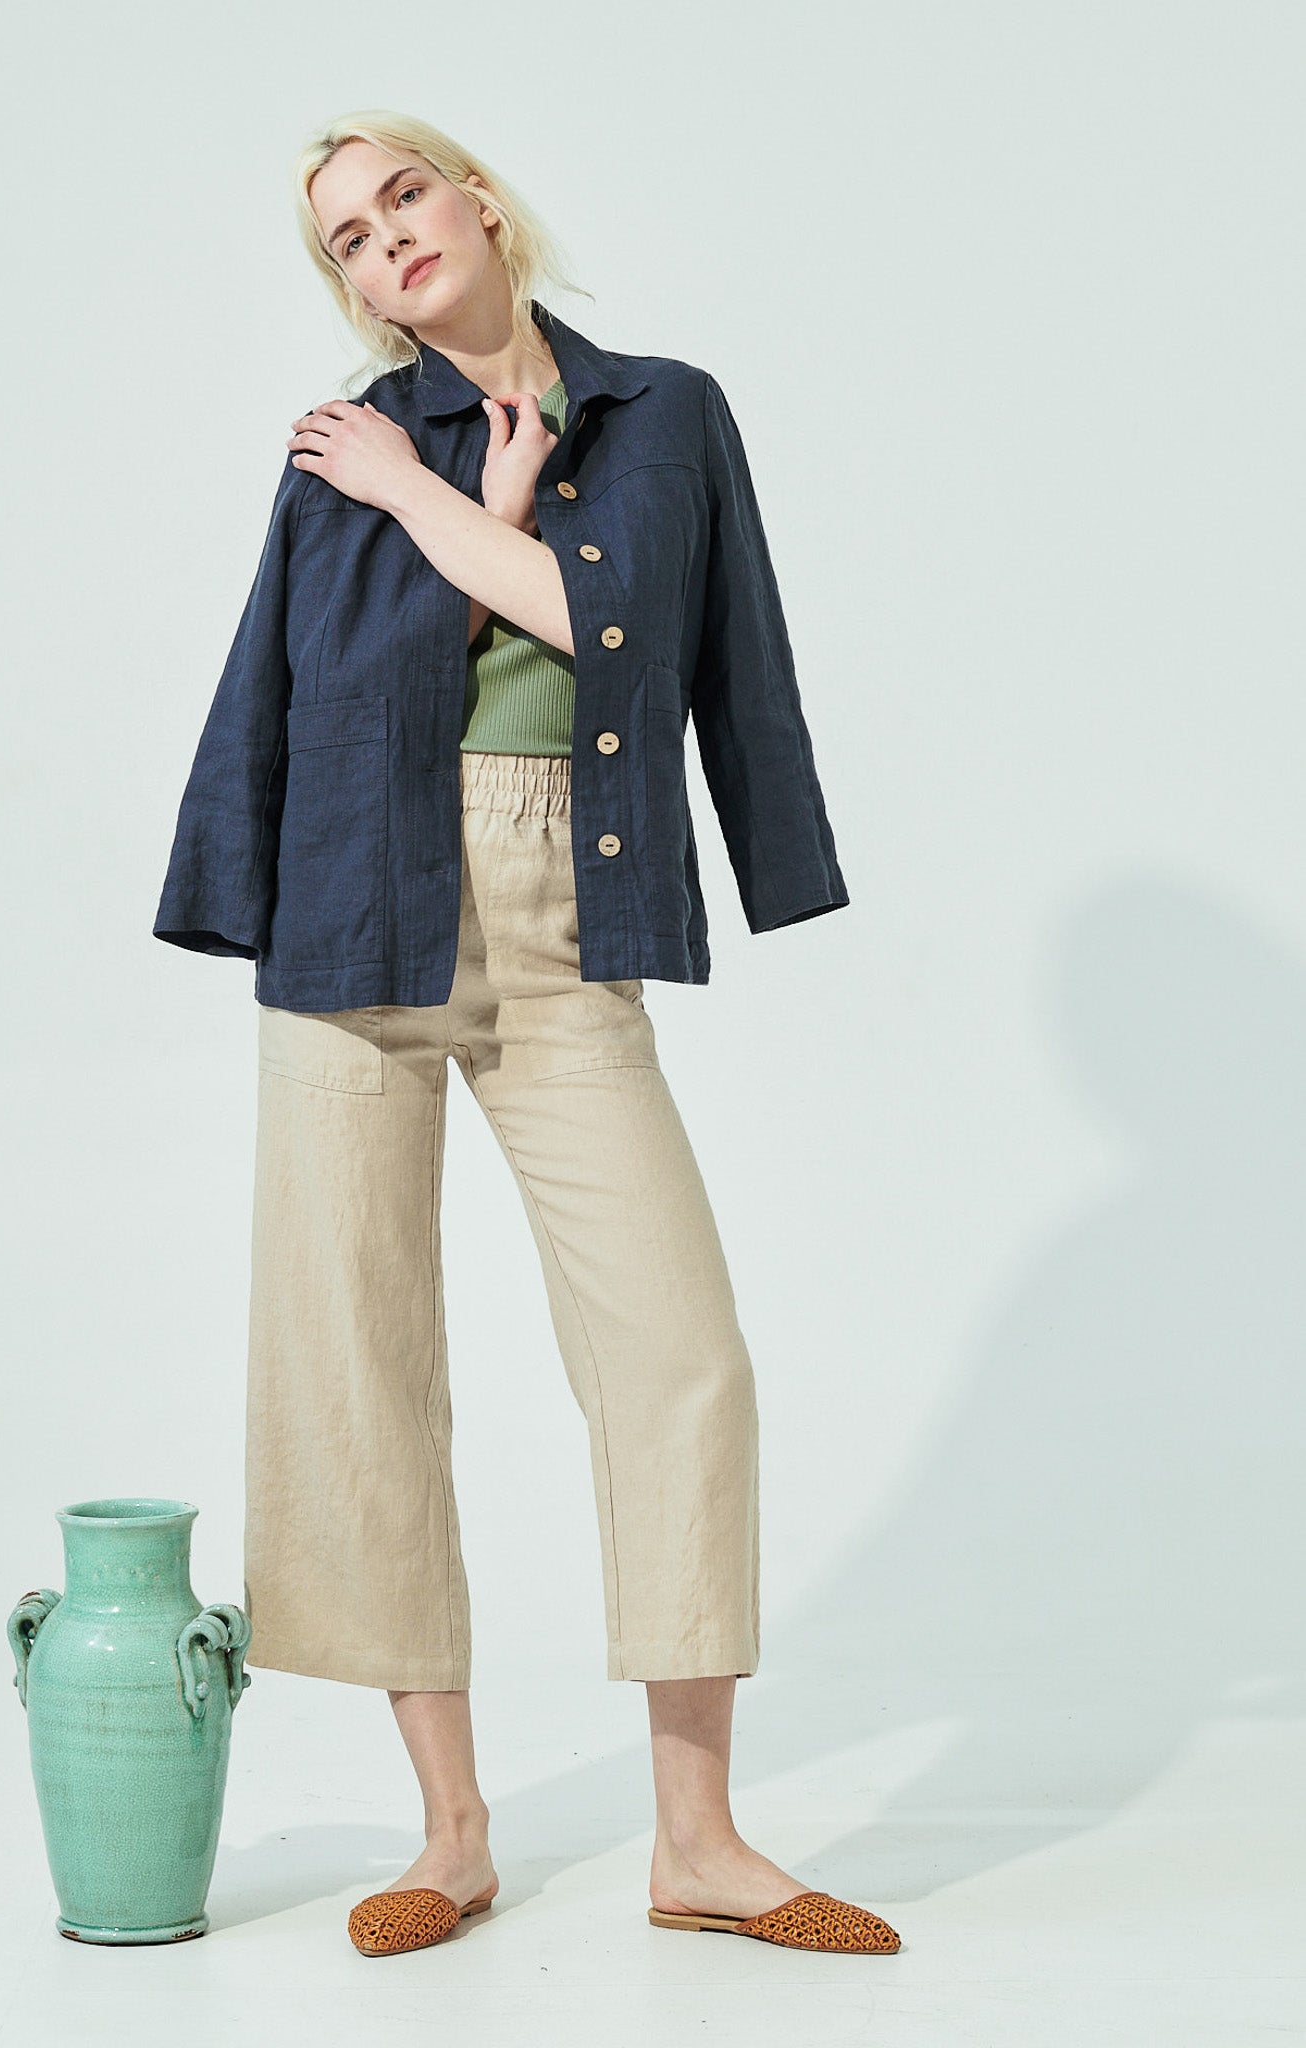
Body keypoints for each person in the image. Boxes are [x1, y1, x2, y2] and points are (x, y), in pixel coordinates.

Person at [154, 110, 899, 1961]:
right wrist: (440, 501)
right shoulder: (346, 444)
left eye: (400, 196)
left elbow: (642, 634)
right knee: (355, 1363)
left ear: (476, 200)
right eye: (345, 239)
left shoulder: (658, 413)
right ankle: (453, 1830)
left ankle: (697, 1843)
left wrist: (450, 514)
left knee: (678, 1357)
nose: (383, 240)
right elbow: (305, 680)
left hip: (568, 903)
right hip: (355, 899)